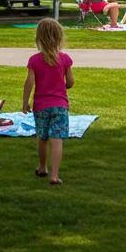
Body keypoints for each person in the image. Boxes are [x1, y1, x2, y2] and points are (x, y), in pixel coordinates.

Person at [22, 18, 74, 185]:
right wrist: (63, 86)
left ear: (39, 38)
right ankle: (54, 175)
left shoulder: (34, 60)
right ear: (59, 37)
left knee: (42, 138)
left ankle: (42, 167)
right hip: (60, 106)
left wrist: (25, 102)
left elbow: (29, 82)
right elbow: (70, 82)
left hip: (41, 106)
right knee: (57, 140)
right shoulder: (65, 59)